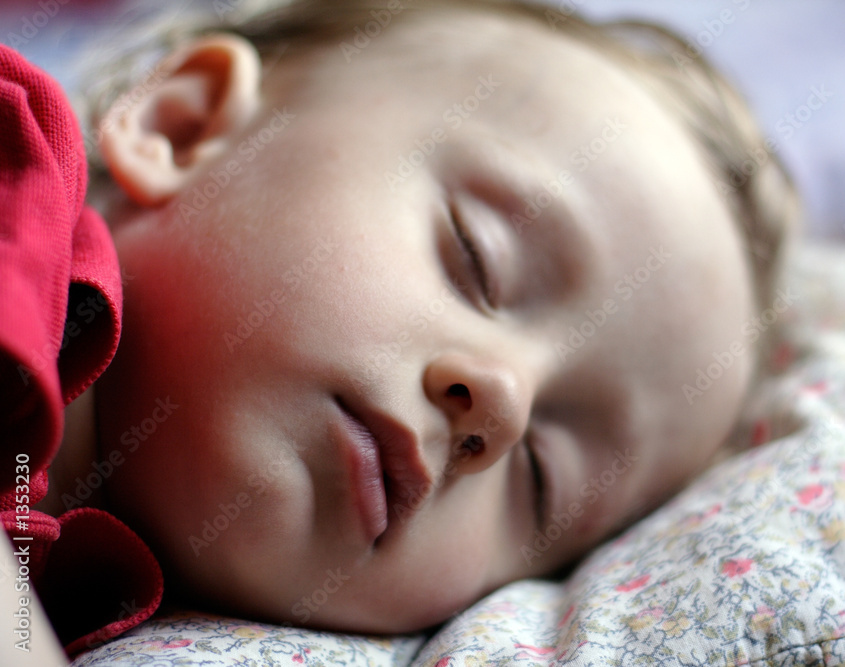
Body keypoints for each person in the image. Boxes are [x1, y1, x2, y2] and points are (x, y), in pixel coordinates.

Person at [1, 0, 797, 658]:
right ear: (185, 125)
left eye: (542, 477)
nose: (502, 405)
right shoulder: (17, 178)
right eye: (479, 261)